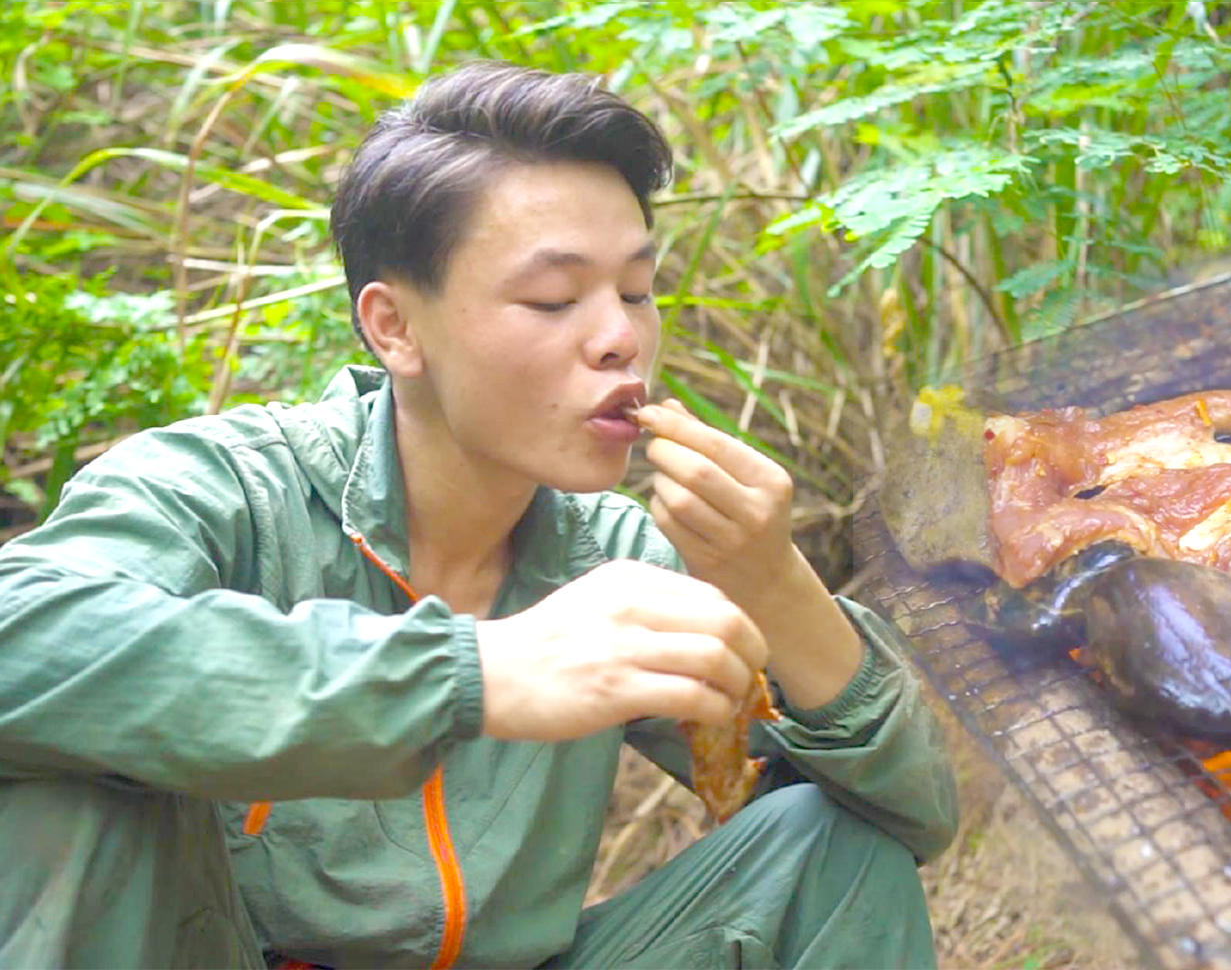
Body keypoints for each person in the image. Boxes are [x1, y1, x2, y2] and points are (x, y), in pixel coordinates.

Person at [0, 60, 958, 968]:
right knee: (76, 769)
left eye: (636, 290)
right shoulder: (227, 491)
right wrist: (472, 671)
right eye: (552, 298)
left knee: (827, 845)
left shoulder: (616, 564)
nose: (621, 337)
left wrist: (775, 582)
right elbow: (23, 638)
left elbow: (907, 818)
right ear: (395, 327)